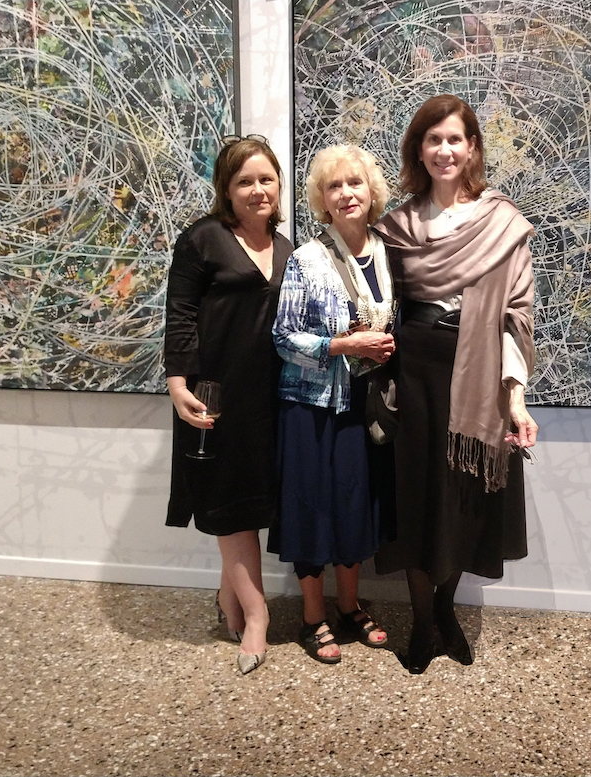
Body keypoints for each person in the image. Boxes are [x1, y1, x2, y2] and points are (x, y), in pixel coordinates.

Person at [373, 95, 539, 673]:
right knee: (419, 499)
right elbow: (375, 304)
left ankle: (446, 609)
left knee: (464, 502)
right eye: (433, 140)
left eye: (454, 140)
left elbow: (516, 314)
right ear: (419, 149)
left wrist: (515, 398)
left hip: (477, 379)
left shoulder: (502, 223)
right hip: (413, 374)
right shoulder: (394, 227)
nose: (444, 150)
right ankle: (422, 621)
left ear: (472, 149)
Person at [164, 134, 293, 675]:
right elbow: (180, 315)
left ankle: (228, 600)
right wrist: (177, 384)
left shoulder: (289, 249)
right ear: (227, 189)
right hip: (216, 394)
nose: (257, 189)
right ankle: (257, 614)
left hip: (274, 396)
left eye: (266, 178)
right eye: (245, 181)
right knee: (229, 503)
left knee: (253, 502)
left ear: (279, 185)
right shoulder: (203, 239)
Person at [268, 145, 396, 664]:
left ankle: (350, 605)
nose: (346, 194)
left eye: (355, 184)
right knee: (311, 508)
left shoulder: (389, 253)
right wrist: (344, 346)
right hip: (311, 405)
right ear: (322, 199)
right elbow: (283, 336)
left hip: (366, 406)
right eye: (334, 186)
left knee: (353, 506)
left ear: (372, 193)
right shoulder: (307, 258)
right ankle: (314, 616)